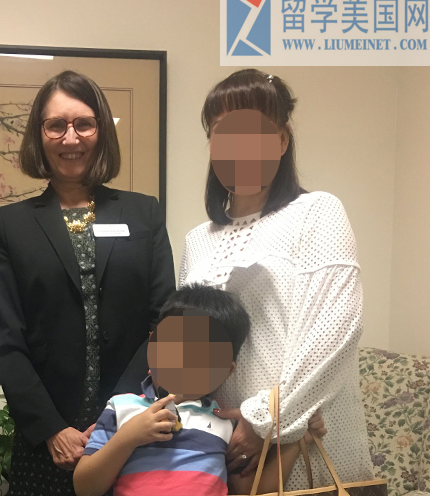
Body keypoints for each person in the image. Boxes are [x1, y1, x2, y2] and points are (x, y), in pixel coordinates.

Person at [177, 69, 374, 489]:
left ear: (282, 140)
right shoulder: (197, 240)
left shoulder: (317, 212)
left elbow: (336, 330)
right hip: (223, 448)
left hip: (306, 440)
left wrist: (266, 419)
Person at [0, 70, 176, 495]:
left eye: (84, 124)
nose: (70, 137)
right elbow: (6, 337)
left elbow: (164, 322)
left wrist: (117, 417)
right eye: (56, 125)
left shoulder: (143, 213)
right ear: (39, 135)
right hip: (47, 441)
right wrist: (50, 428)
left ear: (101, 131)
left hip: (133, 430)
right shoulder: (9, 225)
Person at [73, 284, 327, 496]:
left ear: (226, 370)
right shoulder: (121, 407)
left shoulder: (226, 423)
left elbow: (249, 490)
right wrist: (129, 437)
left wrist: (297, 441)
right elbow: (85, 487)